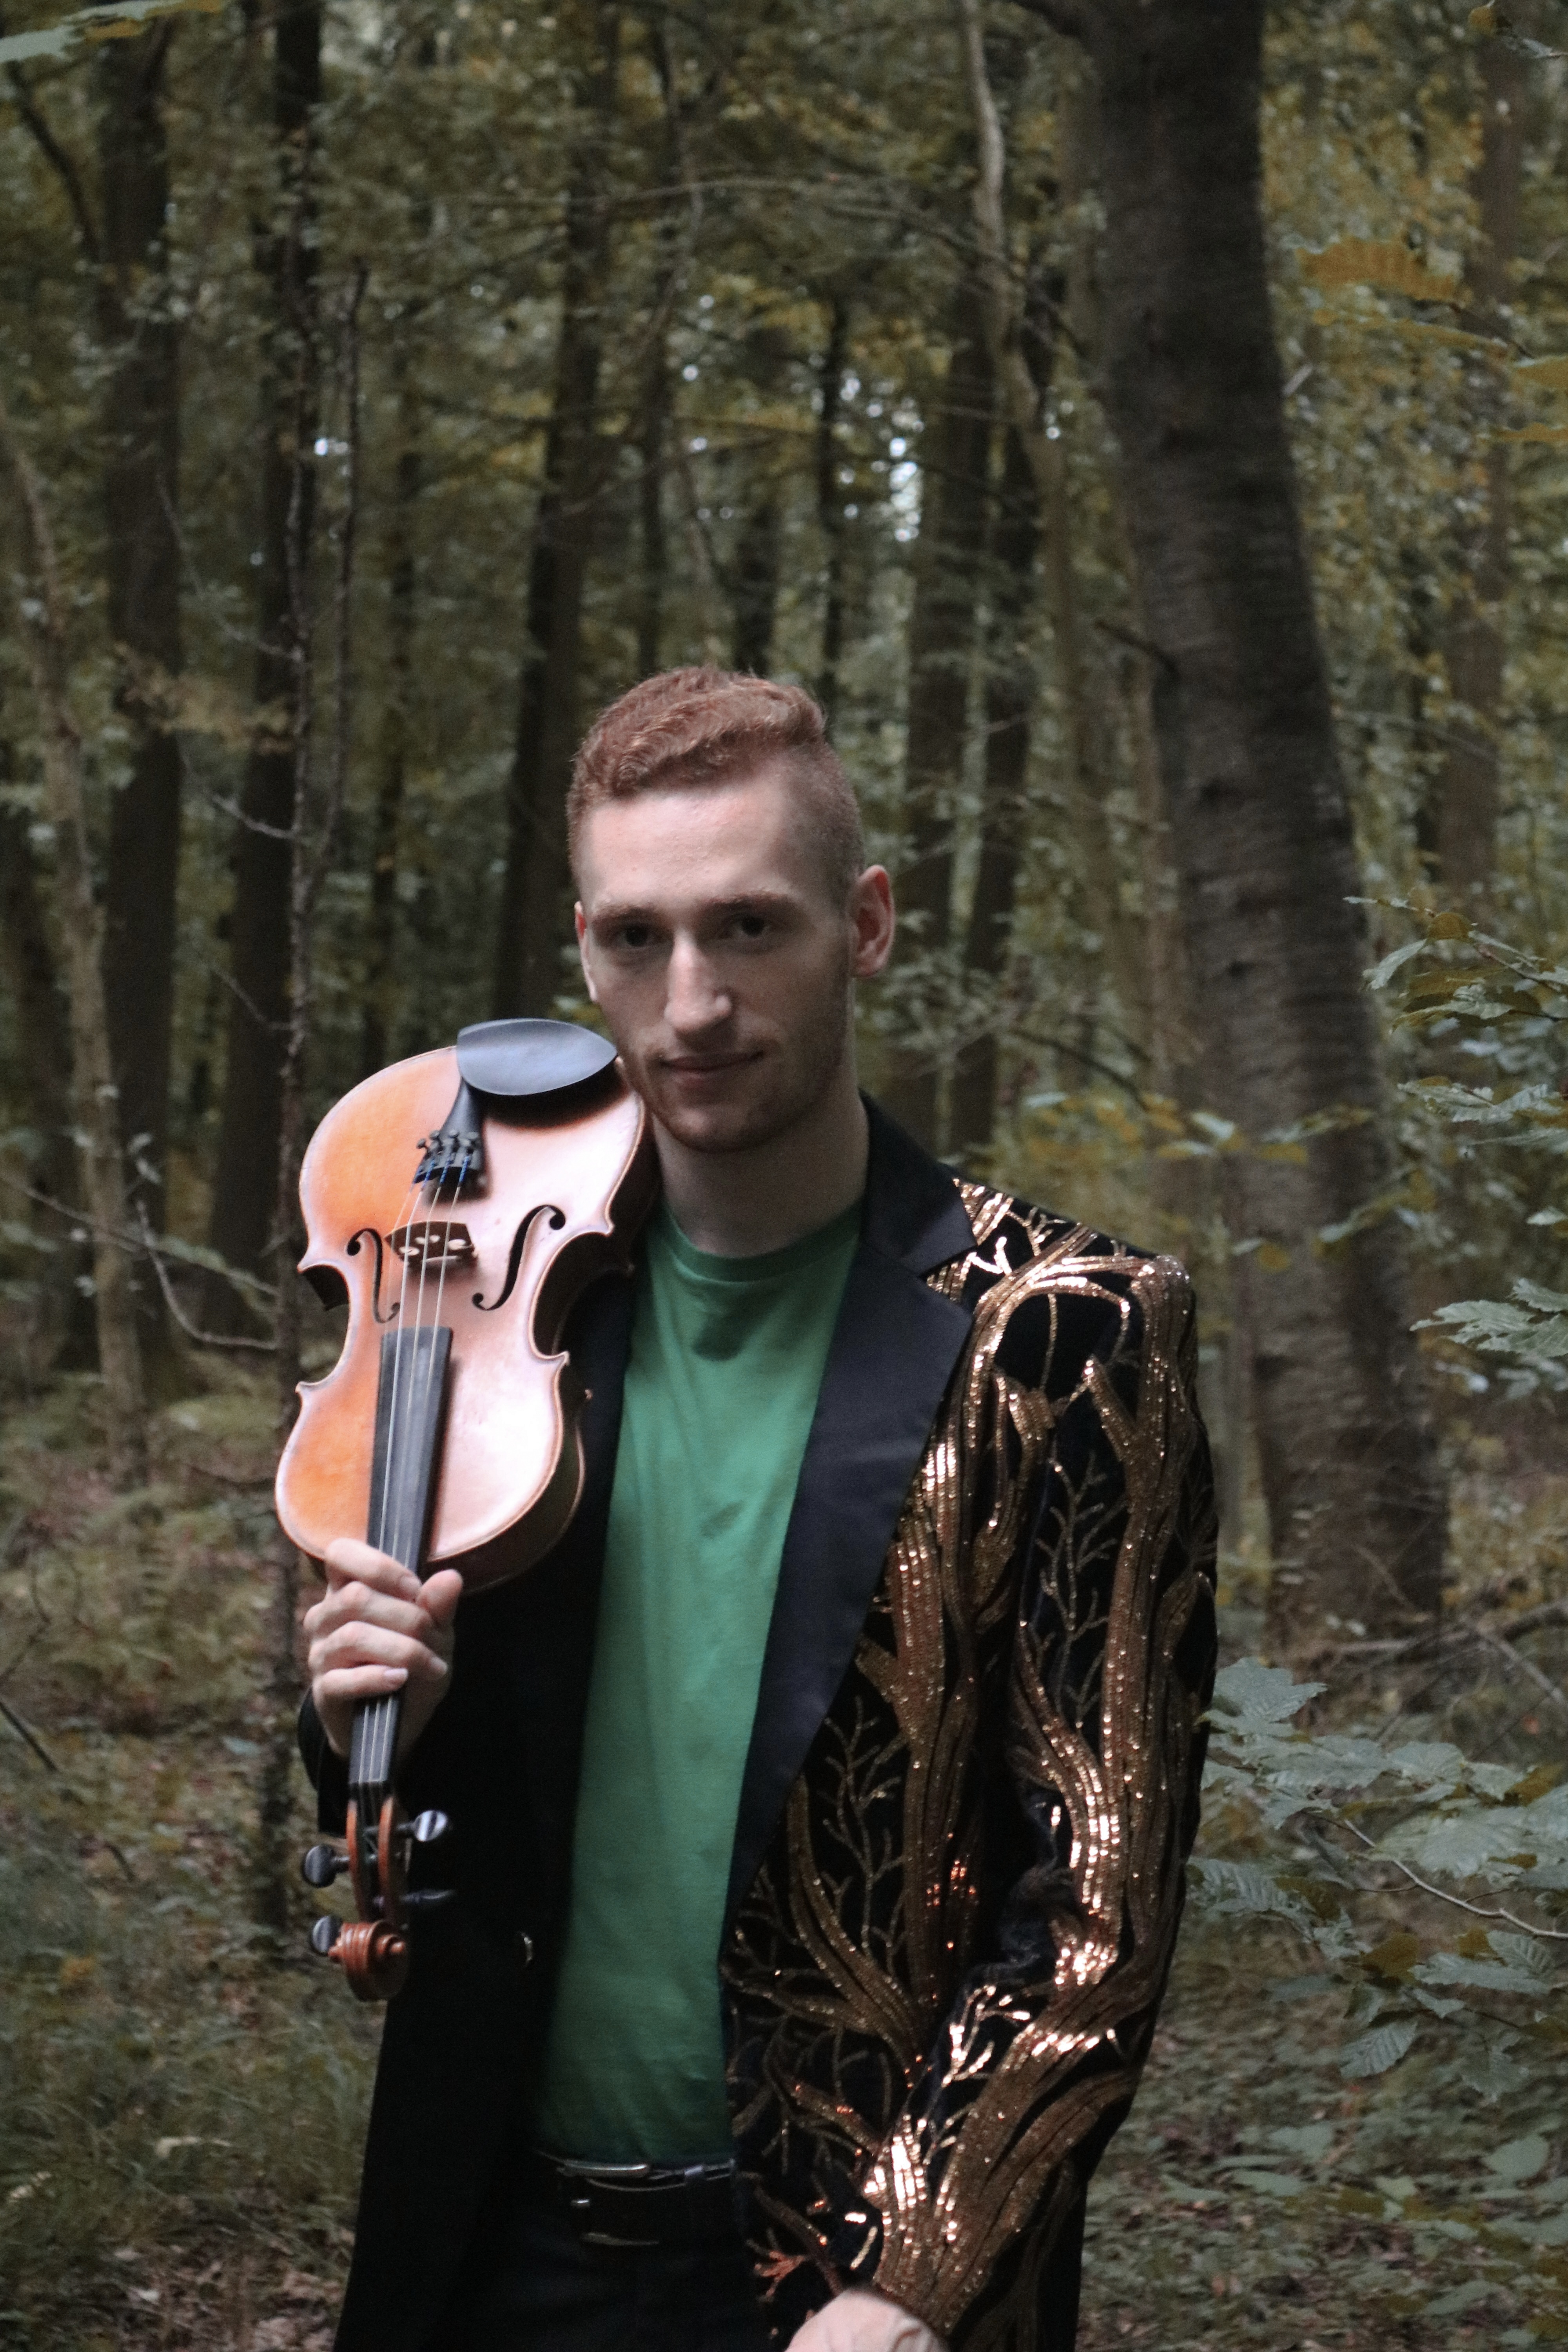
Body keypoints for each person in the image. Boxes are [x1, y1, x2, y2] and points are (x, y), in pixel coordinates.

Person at [300, 668, 1218, 2352]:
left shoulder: (1065, 1331)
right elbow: (435, 1851)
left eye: (748, 927)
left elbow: (1095, 1902)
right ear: (581, 946)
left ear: (862, 925)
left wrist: (914, 2278)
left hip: (841, 2285)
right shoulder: (501, 1312)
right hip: (500, 2250)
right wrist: (390, 1726)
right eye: (635, 940)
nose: (691, 1002)